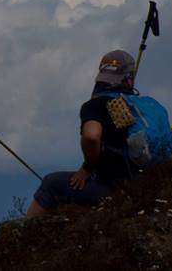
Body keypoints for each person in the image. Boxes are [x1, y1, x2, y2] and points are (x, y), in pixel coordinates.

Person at [26, 49, 140, 218]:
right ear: (129, 78)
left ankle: (25, 231)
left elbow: (91, 136)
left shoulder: (96, 105)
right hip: (143, 186)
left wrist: (87, 167)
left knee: (50, 184)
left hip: (112, 189)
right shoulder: (140, 107)